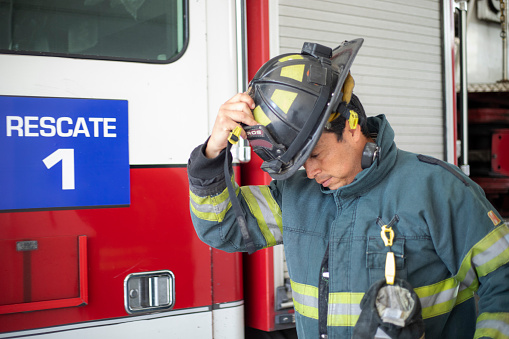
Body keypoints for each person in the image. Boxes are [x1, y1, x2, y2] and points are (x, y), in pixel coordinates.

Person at [187, 39, 509, 338]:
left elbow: (503, 278)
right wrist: (213, 152)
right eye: (300, 163)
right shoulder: (295, 197)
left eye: (316, 155)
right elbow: (222, 227)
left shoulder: (435, 189)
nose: (310, 172)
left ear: (351, 125)